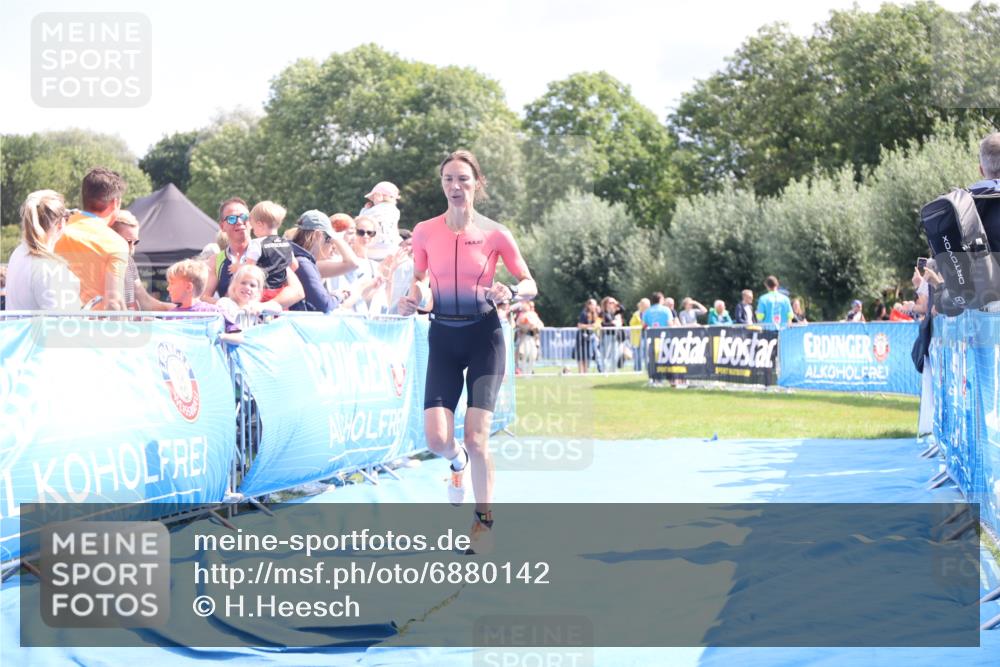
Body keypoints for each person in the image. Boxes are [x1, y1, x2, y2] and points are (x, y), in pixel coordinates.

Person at [398, 150, 536, 554]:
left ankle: (484, 521)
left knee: (478, 438)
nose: (455, 187)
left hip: (485, 338)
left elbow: (529, 282)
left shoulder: (496, 233)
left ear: (477, 183)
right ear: (442, 185)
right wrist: (414, 298)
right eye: (448, 180)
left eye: (463, 179)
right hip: (442, 336)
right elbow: (420, 279)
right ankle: (455, 464)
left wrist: (510, 291)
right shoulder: (424, 231)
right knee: (438, 439)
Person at [201, 197, 304, 309]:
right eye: (231, 219)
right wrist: (223, 303)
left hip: (268, 322)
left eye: (244, 217)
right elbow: (203, 297)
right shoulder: (216, 260)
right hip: (233, 325)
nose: (239, 222)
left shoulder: (270, 250)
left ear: (251, 222)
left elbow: (297, 291)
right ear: (222, 226)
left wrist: (265, 307)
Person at [53, 167, 129, 311]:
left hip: (53, 323)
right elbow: (113, 301)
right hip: (92, 328)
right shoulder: (117, 244)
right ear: (115, 203)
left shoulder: (56, 231)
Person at [5, 190, 81, 311]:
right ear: (60, 224)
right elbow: (64, 323)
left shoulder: (19, 253)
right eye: (66, 218)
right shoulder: (50, 269)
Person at [288, 210, 355, 313]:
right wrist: (338, 296)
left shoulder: (294, 257)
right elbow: (324, 305)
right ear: (318, 235)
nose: (331, 246)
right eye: (328, 239)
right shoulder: (303, 263)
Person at [242, 201, 299, 301]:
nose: (253, 232)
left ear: (260, 224)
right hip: (281, 293)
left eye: (253, 227)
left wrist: (237, 268)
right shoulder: (286, 243)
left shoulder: (257, 243)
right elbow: (294, 265)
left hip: (261, 292)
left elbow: (249, 269)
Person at [217, 264, 281, 335]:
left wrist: (262, 307)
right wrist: (241, 311)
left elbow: (278, 308)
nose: (247, 287)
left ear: (258, 291)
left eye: (252, 285)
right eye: (243, 283)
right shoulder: (225, 302)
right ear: (234, 285)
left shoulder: (254, 306)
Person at [359, 181, 402, 261]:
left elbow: (361, 221)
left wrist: (364, 209)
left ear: (378, 196)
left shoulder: (374, 210)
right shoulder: (395, 211)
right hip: (392, 249)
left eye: (373, 198)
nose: (372, 201)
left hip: (375, 250)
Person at [514, 301, 544, 375]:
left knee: (533, 355)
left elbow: (541, 325)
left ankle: (529, 372)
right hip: (525, 337)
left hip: (533, 338)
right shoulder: (522, 315)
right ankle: (523, 372)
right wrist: (526, 326)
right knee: (524, 355)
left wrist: (536, 327)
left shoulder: (534, 315)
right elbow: (518, 324)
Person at [575, 298, 601, 373]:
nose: (594, 306)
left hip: (590, 337)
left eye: (595, 304)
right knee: (581, 356)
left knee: (587, 356)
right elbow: (579, 325)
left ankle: (586, 372)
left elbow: (599, 321)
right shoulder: (584, 313)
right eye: (593, 304)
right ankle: (581, 372)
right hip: (581, 337)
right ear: (589, 305)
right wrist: (590, 325)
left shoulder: (595, 314)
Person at [629, 298, 650, 371]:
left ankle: (648, 369)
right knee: (638, 353)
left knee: (647, 354)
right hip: (639, 336)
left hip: (647, 335)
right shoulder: (636, 314)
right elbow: (631, 323)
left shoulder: (650, 313)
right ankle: (638, 369)